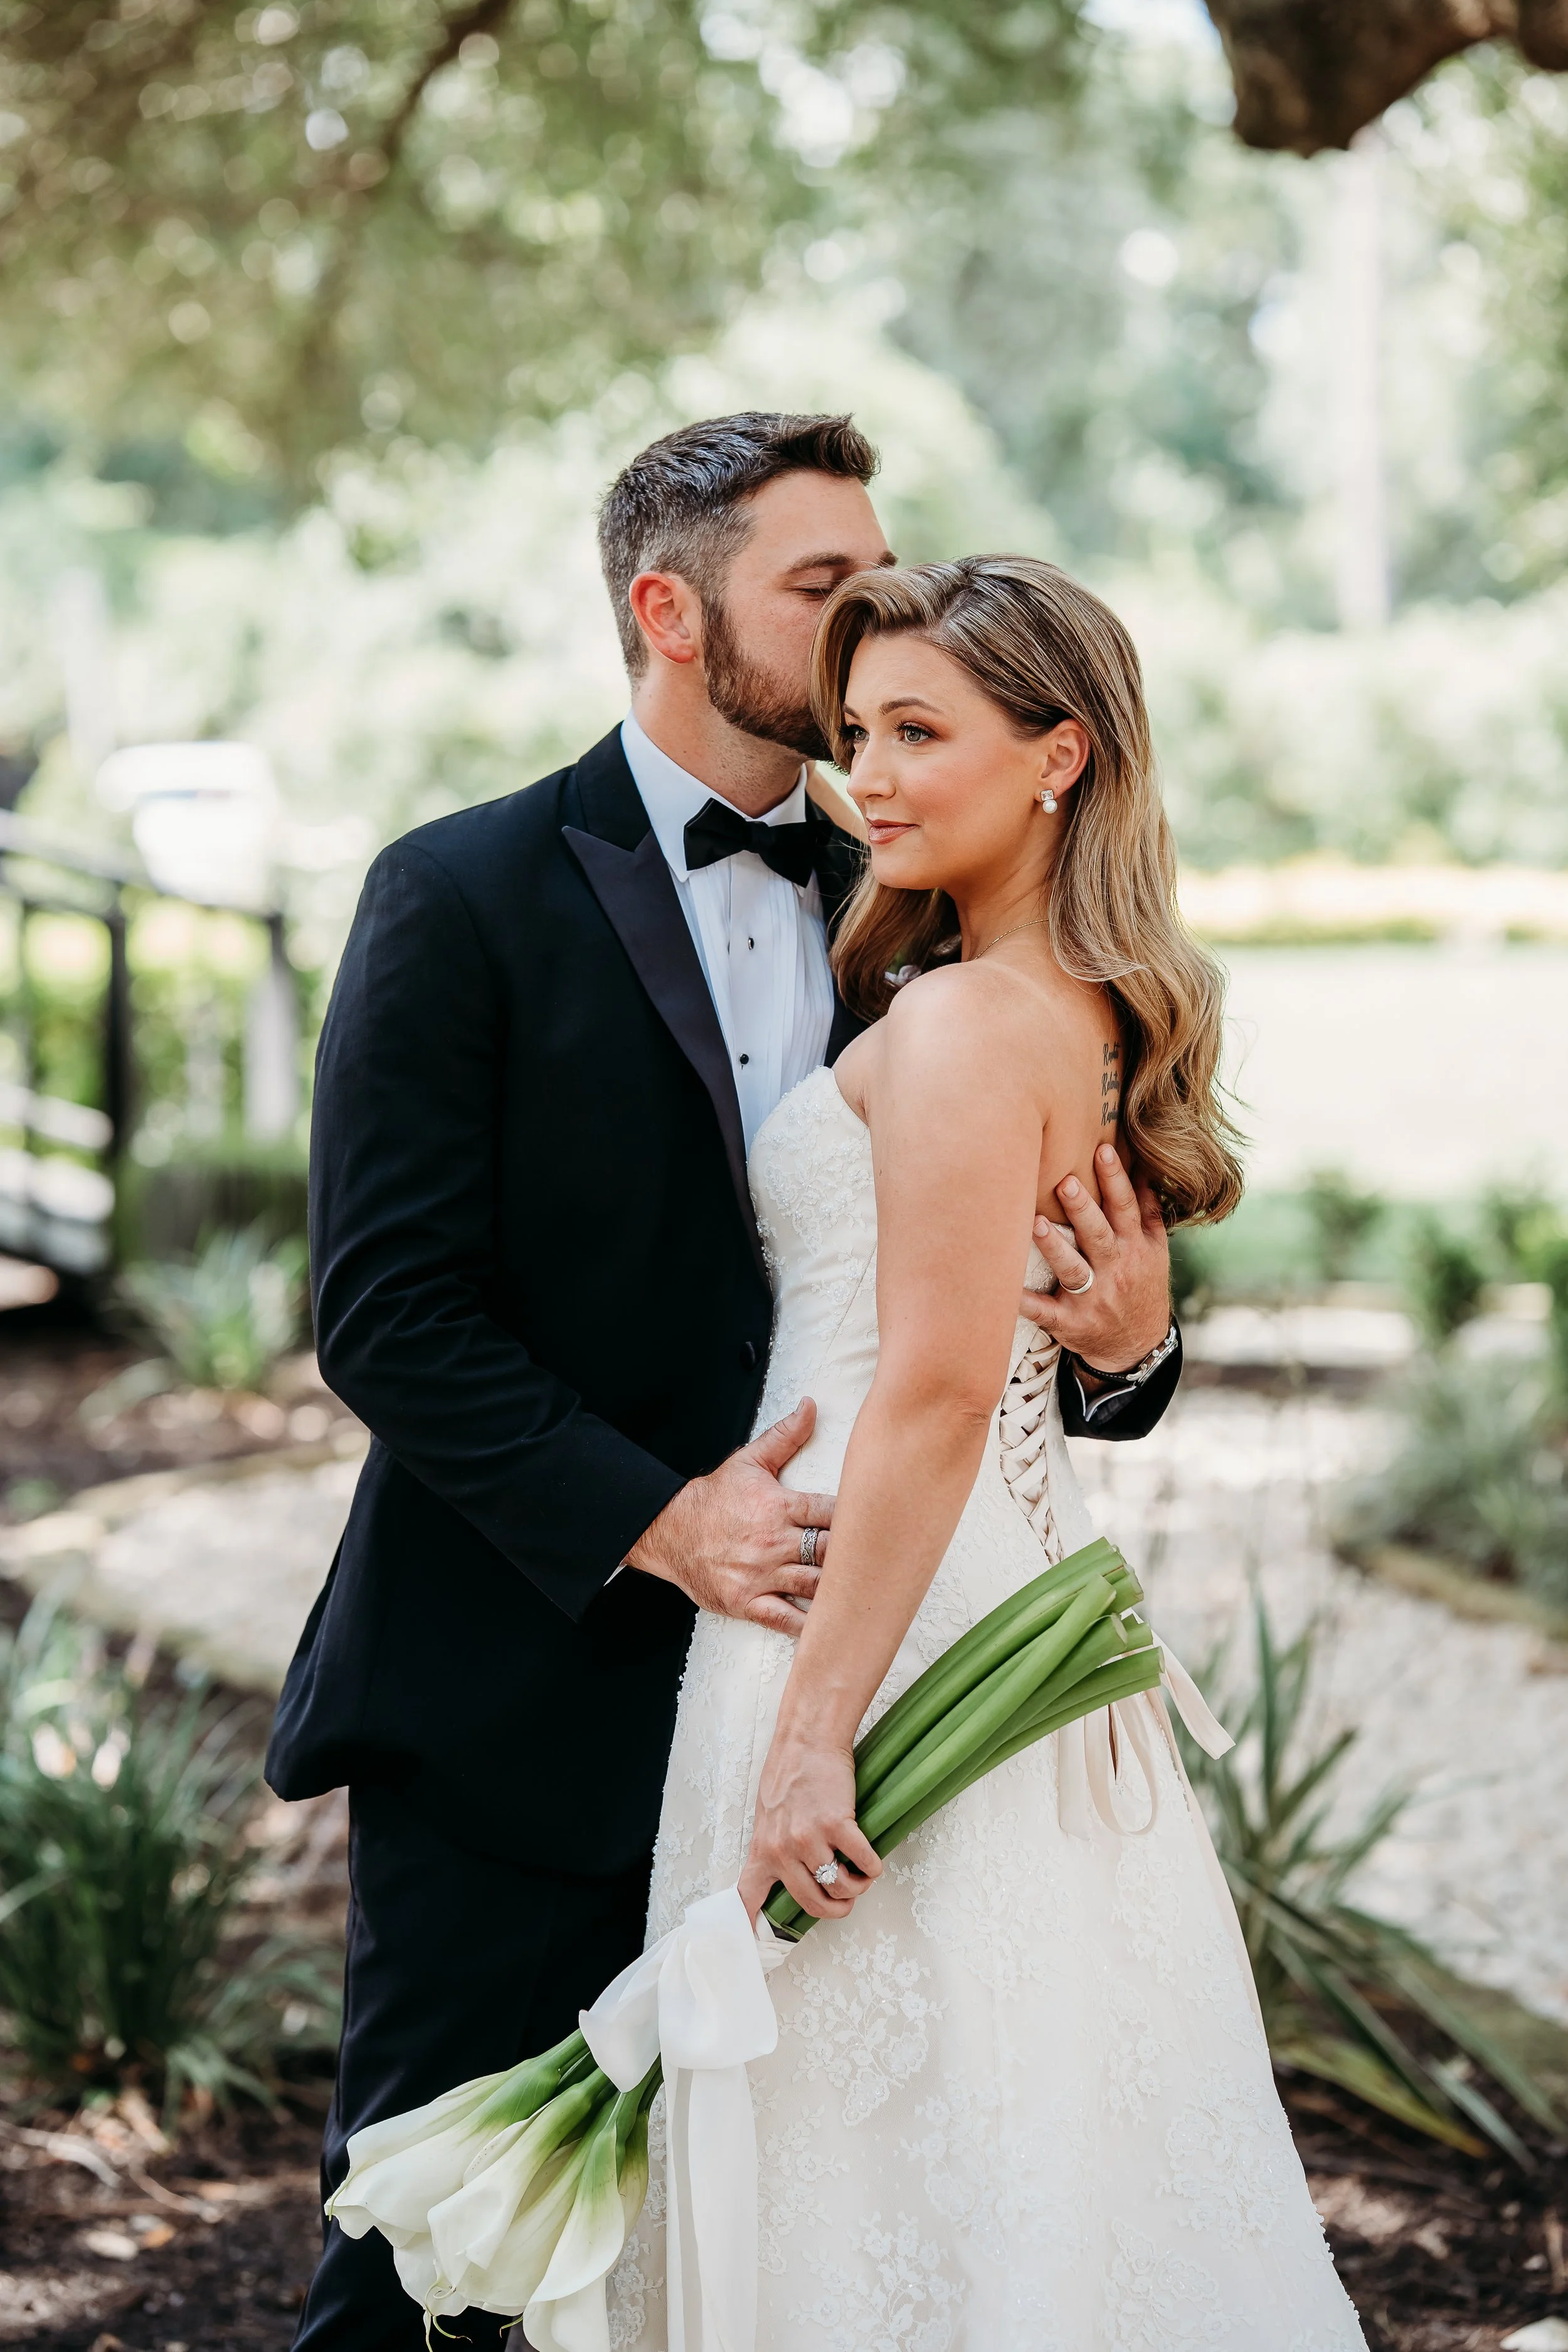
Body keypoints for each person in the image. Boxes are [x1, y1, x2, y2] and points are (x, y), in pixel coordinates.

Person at [266, 417, 1182, 2349]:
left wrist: (1128, 1351)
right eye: (820, 586)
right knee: (432, 2265)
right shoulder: (460, 892)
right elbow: (387, 1311)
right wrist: (660, 1517)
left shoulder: (930, 894)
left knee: (782, 2244)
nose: (868, 626)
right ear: (667, 611)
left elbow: (992, 1298)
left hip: (850, 1684)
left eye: (878, 576)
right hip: (531, 1687)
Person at [608, 556, 1367, 2348]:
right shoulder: (1061, 1005)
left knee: (887, 2129)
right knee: (1023, 2111)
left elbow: (939, 1392)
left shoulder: (955, 1022)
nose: (867, 772)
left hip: (877, 1617)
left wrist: (809, 1736)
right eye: (859, 729)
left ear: (1059, 757)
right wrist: (1128, 1346)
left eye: (920, 732)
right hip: (993, 1596)